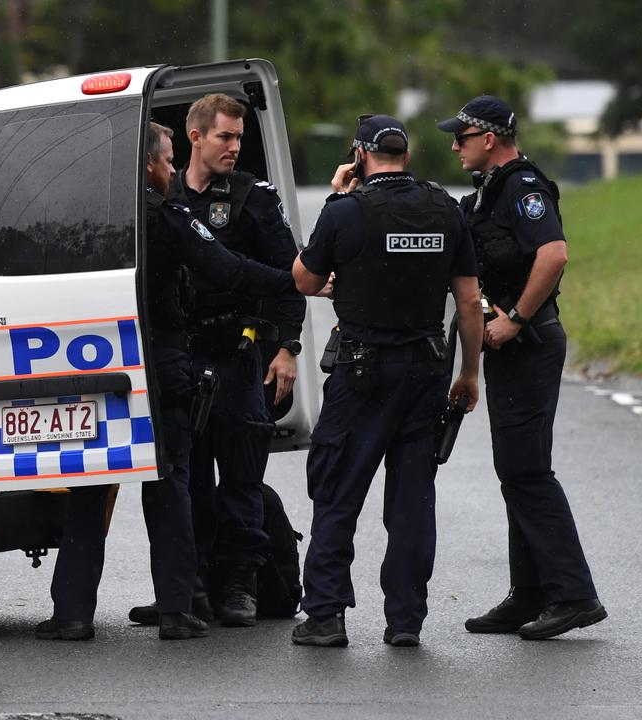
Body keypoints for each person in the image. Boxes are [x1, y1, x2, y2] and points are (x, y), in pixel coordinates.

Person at [37, 121, 294, 641]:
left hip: (96, 363)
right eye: (168, 160)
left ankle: (72, 614)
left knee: (90, 485)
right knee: (169, 481)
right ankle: (178, 608)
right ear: (149, 165)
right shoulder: (166, 215)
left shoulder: (79, 221)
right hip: (161, 363)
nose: (173, 169)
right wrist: (294, 279)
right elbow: (226, 268)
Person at [291, 114, 483, 648]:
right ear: (406, 153)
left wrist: (335, 198)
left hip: (361, 374)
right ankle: (405, 619)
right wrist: (469, 372)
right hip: (426, 371)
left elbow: (304, 278)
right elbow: (469, 301)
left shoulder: (348, 212)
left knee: (337, 490)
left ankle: (326, 615)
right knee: (413, 499)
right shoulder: (445, 209)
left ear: (359, 155)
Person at [437, 95, 607, 640]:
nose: (455, 146)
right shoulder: (489, 191)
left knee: (527, 472)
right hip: (510, 348)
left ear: (488, 138)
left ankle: (574, 594)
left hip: (529, 342)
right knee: (516, 470)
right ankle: (529, 593)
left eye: (461, 137)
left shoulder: (523, 187)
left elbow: (553, 254)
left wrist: (514, 317)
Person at [161, 93, 305, 627]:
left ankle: (240, 584)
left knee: (242, 478)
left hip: (239, 355)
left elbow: (291, 279)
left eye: (240, 137)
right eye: (225, 136)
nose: (235, 147)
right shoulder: (163, 196)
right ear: (195, 137)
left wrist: (287, 347)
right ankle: (190, 585)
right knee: (188, 478)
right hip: (182, 357)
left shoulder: (253, 198)